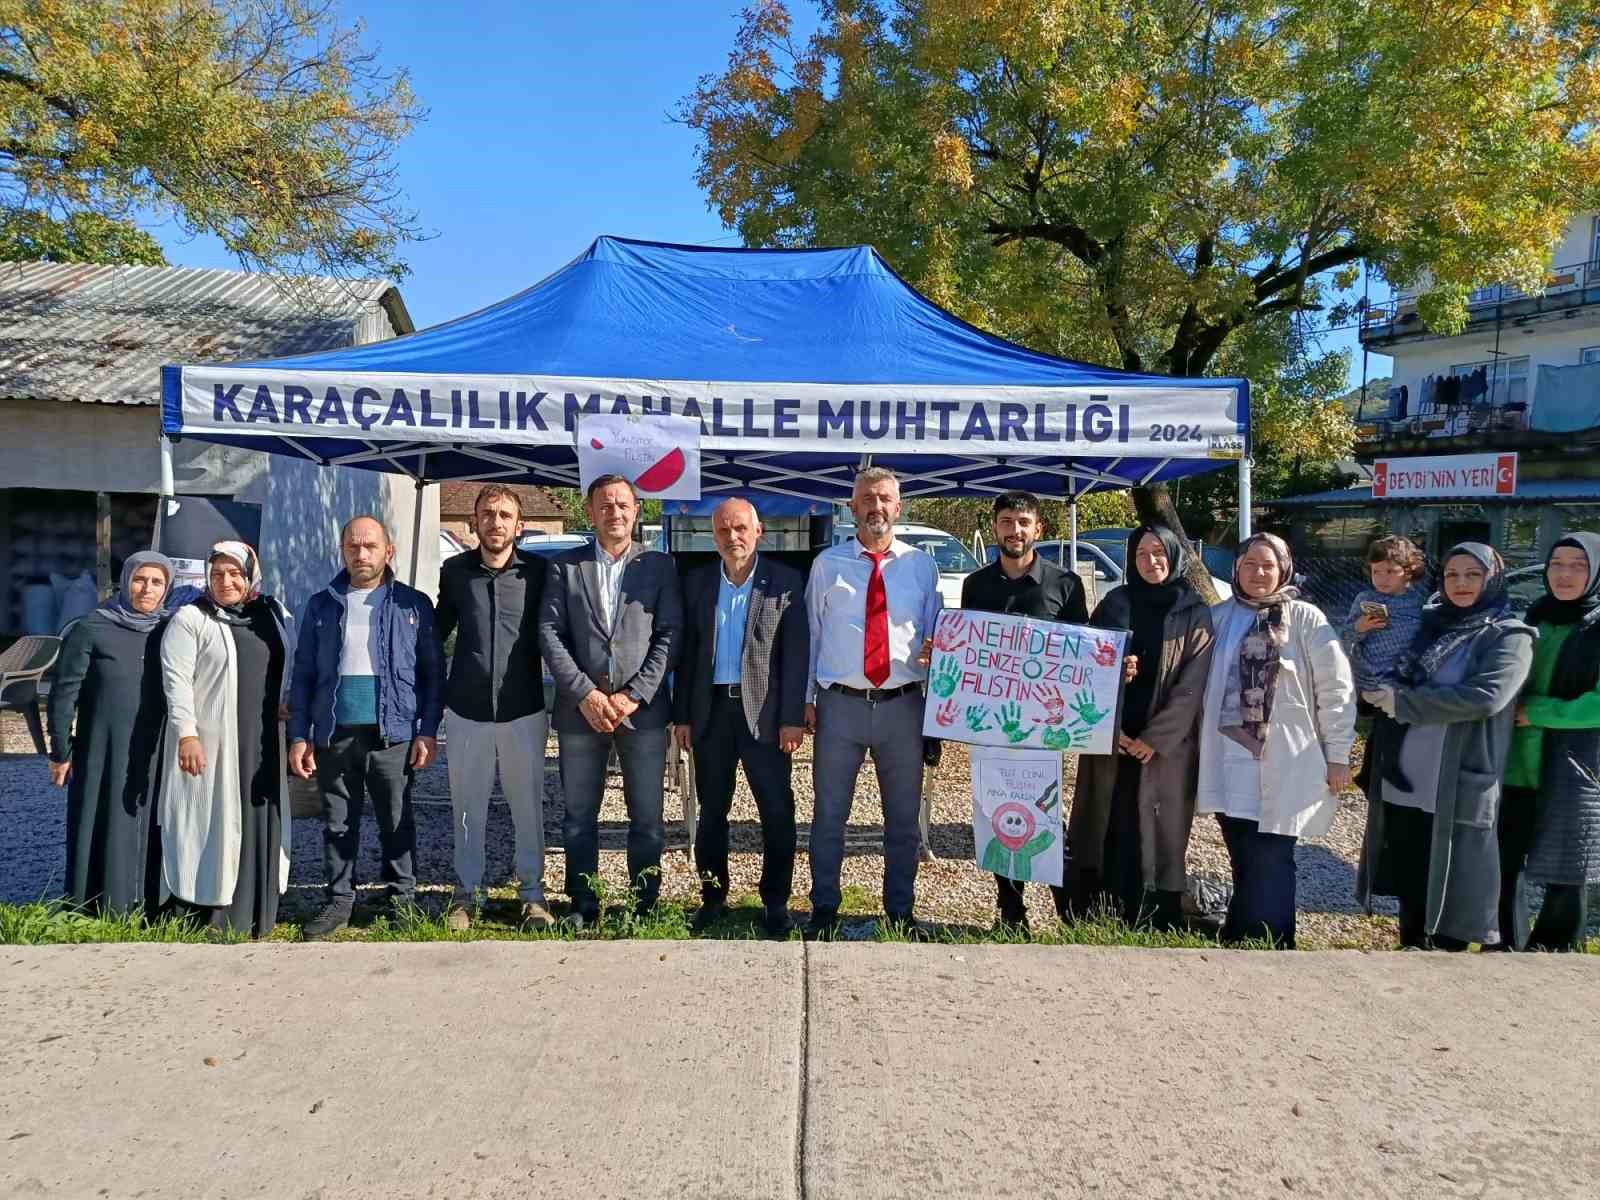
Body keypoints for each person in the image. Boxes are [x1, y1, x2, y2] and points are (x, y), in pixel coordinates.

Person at [1357, 544, 1534, 950]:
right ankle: (1412, 955)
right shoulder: (1427, 624)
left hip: (1455, 779)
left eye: (1473, 574)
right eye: (1452, 574)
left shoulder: (1509, 635)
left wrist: (1403, 702)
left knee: (1457, 884)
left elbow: (1485, 698)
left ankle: (1449, 969)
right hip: (1404, 777)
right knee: (1412, 879)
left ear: (1494, 578)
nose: (1461, 583)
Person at [1195, 532, 1355, 948]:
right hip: (1227, 757)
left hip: (1284, 758)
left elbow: (1335, 690)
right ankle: (1241, 938)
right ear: (1236, 569)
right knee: (1242, 853)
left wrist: (1338, 755)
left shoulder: (1305, 619)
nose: (1258, 573)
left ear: (1283, 569)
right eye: (1249, 565)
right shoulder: (1220, 617)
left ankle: (1272, 943)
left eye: (1267, 565)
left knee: (1272, 854)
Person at [288, 516, 443, 940]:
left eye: (370, 546)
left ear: (388, 551)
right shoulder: (322, 605)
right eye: (353, 546)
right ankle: (339, 901)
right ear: (342, 551)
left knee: (396, 819)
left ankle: (401, 900)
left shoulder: (412, 605)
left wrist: (427, 730)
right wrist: (300, 735)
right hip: (336, 733)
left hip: (392, 732)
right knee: (338, 822)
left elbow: (432, 674)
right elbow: (303, 675)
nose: (361, 554)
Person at [804, 467, 942, 938]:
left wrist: (936, 667)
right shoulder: (827, 565)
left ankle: (900, 912)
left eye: (884, 498)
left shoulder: (921, 566)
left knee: (903, 821)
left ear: (898, 507)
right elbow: (811, 636)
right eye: (866, 498)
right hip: (839, 706)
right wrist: (805, 699)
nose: (875, 507)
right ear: (852, 507)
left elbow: (937, 637)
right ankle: (824, 908)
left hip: (903, 706)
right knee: (828, 816)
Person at [539, 474, 682, 926]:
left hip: (642, 713)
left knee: (647, 818)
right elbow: (549, 633)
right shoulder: (565, 566)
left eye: (622, 504)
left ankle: (643, 904)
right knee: (579, 817)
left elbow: (670, 635)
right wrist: (585, 693)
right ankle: (584, 903)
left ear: (636, 510)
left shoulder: (659, 566)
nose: (614, 512)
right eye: (604, 505)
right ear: (589, 511)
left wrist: (633, 695)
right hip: (580, 712)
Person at [1068, 526, 1215, 932]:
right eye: (1141, 554)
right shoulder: (1114, 604)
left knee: (1157, 826)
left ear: (1174, 556)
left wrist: (1155, 739)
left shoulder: (1194, 612)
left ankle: (1152, 915)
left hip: (1164, 747)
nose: (1151, 561)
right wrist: (1107, 724)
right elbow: (1085, 666)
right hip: (1113, 738)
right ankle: (1100, 911)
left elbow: (1192, 685)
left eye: (1159, 552)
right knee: (1107, 820)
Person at [674, 498, 808, 937]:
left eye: (740, 529)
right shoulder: (696, 583)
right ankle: (713, 898)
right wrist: (682, 716)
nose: (733, 537)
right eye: (724, 530)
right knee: (712, 811)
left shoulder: (785, 582)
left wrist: (792, 717)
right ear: (713, 536)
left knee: (777, 811)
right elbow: (687, 655)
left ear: (758, 531)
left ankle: (775, 902)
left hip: (765, 717)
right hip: (710, 713)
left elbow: (795, 655)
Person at [957, 490, 1088, 928]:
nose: (1015, 531)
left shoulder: (1065, 585)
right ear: (995, 528)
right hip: (994, 725)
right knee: (999, 813)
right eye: (1007, 522)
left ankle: (1069, 914)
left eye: (1023, 523)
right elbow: (969, 652)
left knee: (1046, 814)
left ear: (1038, 529)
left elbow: (1082, 656)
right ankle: (1011, 912)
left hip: (1043, 727)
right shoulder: (976, 585)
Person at [156, 543, 294, 938]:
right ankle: (212, 914)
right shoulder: (191, 618)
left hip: (262, 739)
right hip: (213, 742)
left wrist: (288, 698)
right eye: (217, 574)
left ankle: (256, 911)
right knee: (212, 822)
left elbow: (290, 660)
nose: (226, 581)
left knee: (257, 816)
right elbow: (176, 681)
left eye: (235, 573)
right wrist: (187, 734)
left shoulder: (272, 613)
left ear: (251, 575)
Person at [436, 486, 553, 930]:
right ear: (474, 522)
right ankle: (467, 894)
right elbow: (435, 631)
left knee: (527, 807)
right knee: (467, 808)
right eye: (488, 514)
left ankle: (533, 896)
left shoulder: (539, 573)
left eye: (505, 515)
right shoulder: (455, 572)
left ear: (519, 525)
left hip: (524, 708)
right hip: (466, 710)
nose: (496, 522)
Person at [46, 551, 176, 913]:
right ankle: (97, 904)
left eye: (157, 582)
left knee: (150, 820)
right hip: (104, 747)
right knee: (105, 820)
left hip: (156, 747)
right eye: (140, 580)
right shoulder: (92, 628)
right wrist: (60, 751)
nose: (147, 589)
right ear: (126, 581)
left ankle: (152, 904)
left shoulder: (172, 630)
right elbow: (63, 695)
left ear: (167, 588)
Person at [1500, 533, 1600, 951]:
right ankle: (1504, 945)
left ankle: (1555, 954)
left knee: (1567, 867)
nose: (1565, 574)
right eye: (1557, 563)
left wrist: (1537, 712)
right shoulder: (1535, 617)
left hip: (1573, 764)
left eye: (1578, 565)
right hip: (1516, 762)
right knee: (1504, 861)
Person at [1343, 535, 1428, 694]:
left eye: (1390, 571)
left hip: (1398, 681)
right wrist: (1358, 628)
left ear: (1408, 572)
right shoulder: (1365, 599)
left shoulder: (1417, 603)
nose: (1382, 578)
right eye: (1376, 572)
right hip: (1362, 678)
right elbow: (1343, 638)